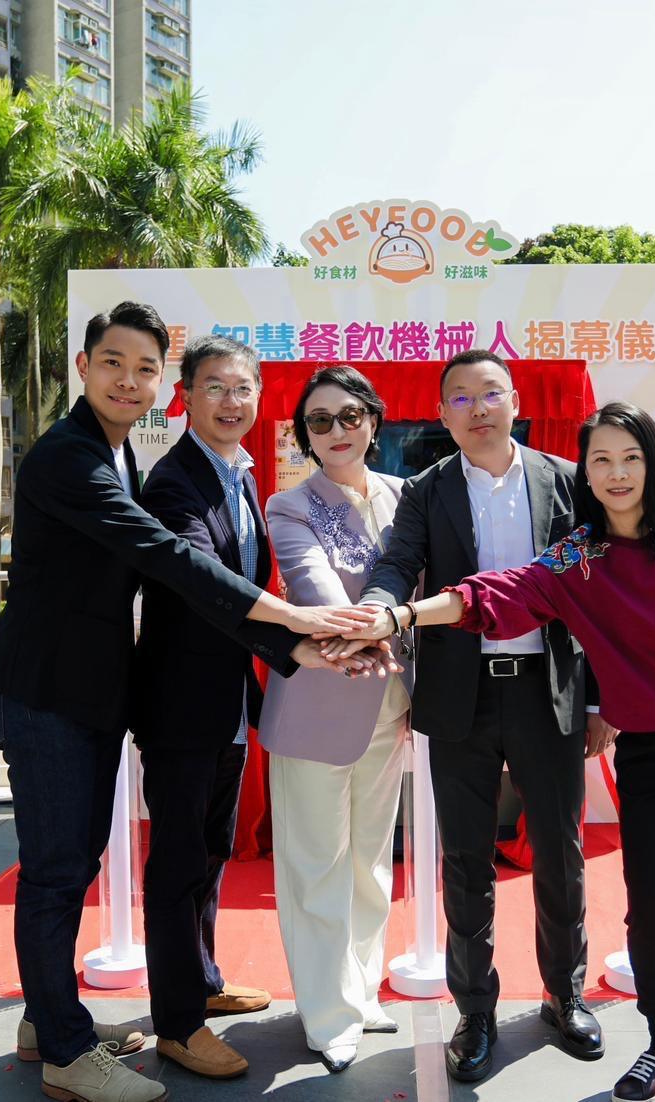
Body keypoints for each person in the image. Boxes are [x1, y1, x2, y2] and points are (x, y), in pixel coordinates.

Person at [0, 302, 376, 1102]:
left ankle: (52, 1015)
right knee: (60, 873)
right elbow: (170, 561)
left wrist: (291, 644)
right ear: (85, 367)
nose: (129, 379)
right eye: (114, 363)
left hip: (99, 692)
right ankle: (67, 1050)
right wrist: (296, 624)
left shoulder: (120, 452)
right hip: (48, 691)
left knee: (134, 857)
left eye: (144, 367)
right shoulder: (76, 459)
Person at [350, 400, 655, 1102]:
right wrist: (401, 613)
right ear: (583, 472)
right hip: (646, 753)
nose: (617, 474)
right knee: (649, 910)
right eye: (601, 460)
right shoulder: (578, 561)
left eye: (631, 457)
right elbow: (482, 597)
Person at [358, 349, 609, 1082]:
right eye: (459, 397)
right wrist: (380, 606)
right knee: (466, 860)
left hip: (547, 692)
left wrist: (597, 699)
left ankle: (565, 997)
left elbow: (593, 594)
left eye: (489, 393)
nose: (476, 407)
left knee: (561, 853)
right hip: (460, 696)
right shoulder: (426, 490)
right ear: (441, 414)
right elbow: (398, 564)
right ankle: (475, 1011)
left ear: (515, 400)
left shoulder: (564, 481)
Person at [257, 366, 413, 1074]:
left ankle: (360, 989)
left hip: (390, 705)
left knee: (369, 865)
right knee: (316, 867)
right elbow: (314, 586)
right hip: (318, 704)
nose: (337, 431)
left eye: (349, 415)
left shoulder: (409, 496)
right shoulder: (289, 505)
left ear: (374, 421)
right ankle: (327, 1015)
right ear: (305, 438)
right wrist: (371, 626)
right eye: (319, 421)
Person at [129, 335, 277, 1081]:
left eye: (242, 388)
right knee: (180, 861)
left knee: (213, 853)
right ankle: (178, 1024)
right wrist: (301, 642)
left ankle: (204, 982)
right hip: (182, 706)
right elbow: (205, 583)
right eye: (215, 386)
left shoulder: (242, 475)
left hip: (227, 704)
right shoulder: (173, 480)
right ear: (184, 394)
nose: (231, 402)